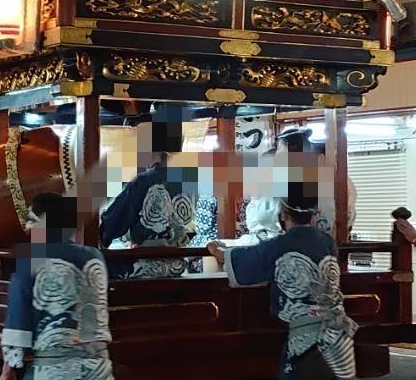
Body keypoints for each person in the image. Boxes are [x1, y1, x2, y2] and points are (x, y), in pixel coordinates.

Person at [207, 192, 356, 380]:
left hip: (304, 341)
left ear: (283, 213)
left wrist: (213, 247)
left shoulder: (278, 245)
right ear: (314, 214)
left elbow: (236, 263)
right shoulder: (327, 242)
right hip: (338, 337)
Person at [0, 193, 114, 380]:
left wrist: (8, 369)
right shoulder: (95, 257)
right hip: (98, 368)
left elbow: (17, 325)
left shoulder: (31, 259)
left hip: (53, 370)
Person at [99, 120, 195, 279]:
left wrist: (102, 235)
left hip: (144, 266)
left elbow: (112, 224)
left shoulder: (145, 181)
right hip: (177, 266)